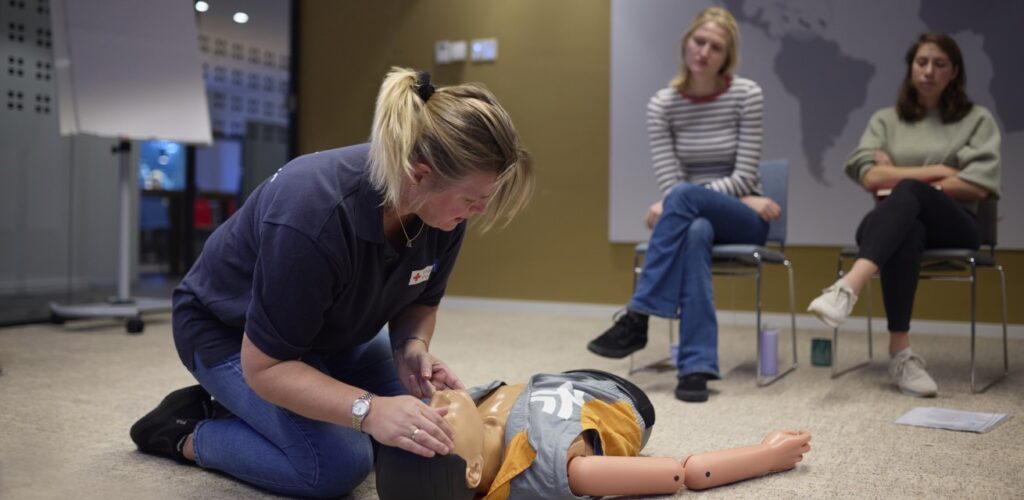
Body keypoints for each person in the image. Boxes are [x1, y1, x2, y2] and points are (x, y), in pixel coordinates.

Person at [128, 67, 534, 498]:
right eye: (472, 199)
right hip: (231, 335)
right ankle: (189, 429)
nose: (478, 211)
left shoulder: (442, 212)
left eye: (484, 199)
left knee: (426, 428)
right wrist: (370, 411)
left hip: (332, 335)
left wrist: (410, 348)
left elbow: (421, 301)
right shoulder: (312, 214)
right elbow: (267, 366)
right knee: (338, 463)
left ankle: (269, 413)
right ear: (419, 174)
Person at [587, 6, 779, 403]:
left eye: (716, 47)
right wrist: (685, 198)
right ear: (685, 43)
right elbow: (671, 183)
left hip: (746, 218)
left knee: (684, 199)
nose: (705, 52)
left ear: (727, 56)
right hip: (698, 217)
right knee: (694, 230)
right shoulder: (663, 104)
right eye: (699, 41)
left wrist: (689, 197)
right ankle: (695, 368)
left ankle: (638, 315)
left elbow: (743, 176)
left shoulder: (746, 95)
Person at [807, 33, 1001, 397]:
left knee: (908, 191)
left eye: (939, 64)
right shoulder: (886, 120)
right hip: (898, 225)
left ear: (954, 72)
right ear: (911, 67)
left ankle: (848, 288)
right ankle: (901, 353)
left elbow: (977, 184)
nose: (929, 71)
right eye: (921, 62)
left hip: (957, 224)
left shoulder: (977, 120)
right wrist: (942, 170)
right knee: (906, 227)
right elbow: (868, 176)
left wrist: (897, 175)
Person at [375, 370, 811, 499]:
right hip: (619, 396)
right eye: (437, 422)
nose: (433, 404)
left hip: (551, 382)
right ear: (473, 472)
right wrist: (767, 454)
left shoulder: (468, 407)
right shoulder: (556, 467)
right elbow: (685, 473)